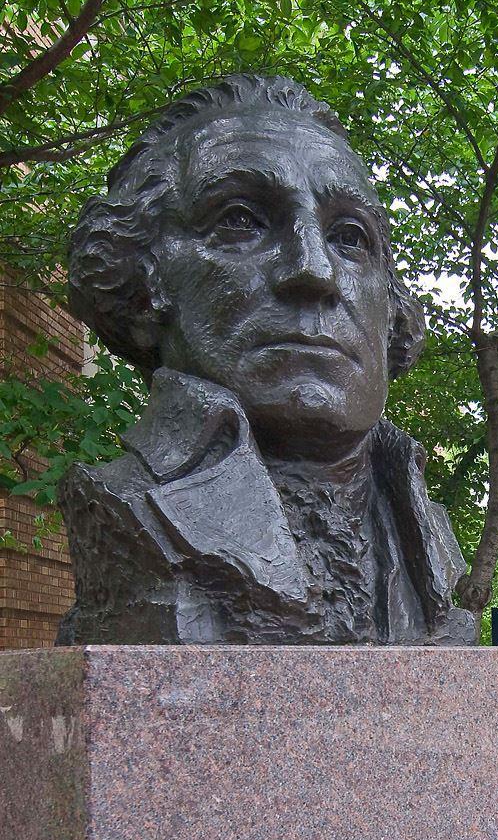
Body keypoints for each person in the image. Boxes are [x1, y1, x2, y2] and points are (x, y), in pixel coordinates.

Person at [57, 73, 475, 647]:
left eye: (349, 237)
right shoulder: (124, 510)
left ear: (391, 313)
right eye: (240, 221)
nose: (314, 270)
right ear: (143, 281)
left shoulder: (421, 525)